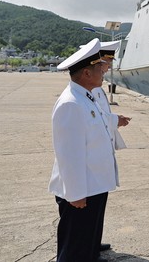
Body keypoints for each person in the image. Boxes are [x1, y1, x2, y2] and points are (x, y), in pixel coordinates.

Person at [49, 38, 121, 262]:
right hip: (82, 191)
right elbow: (68, 154)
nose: (103, 73)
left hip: (94, 184)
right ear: (86, 74)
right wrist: (75, 193)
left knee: (87, 243)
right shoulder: (71, 104)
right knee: (74, 250)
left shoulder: (86, 97)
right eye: (99, 69)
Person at [90, 40, 131, 253]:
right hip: (94, 160)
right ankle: (90, 246)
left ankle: (94, 242)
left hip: (101, 156)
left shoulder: (96, 88)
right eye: (106, 64)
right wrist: (116, 120)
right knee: (92, 207)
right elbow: (100, 118)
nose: (107, 68)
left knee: (98, 206)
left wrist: (115, 119)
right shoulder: (92, 90)